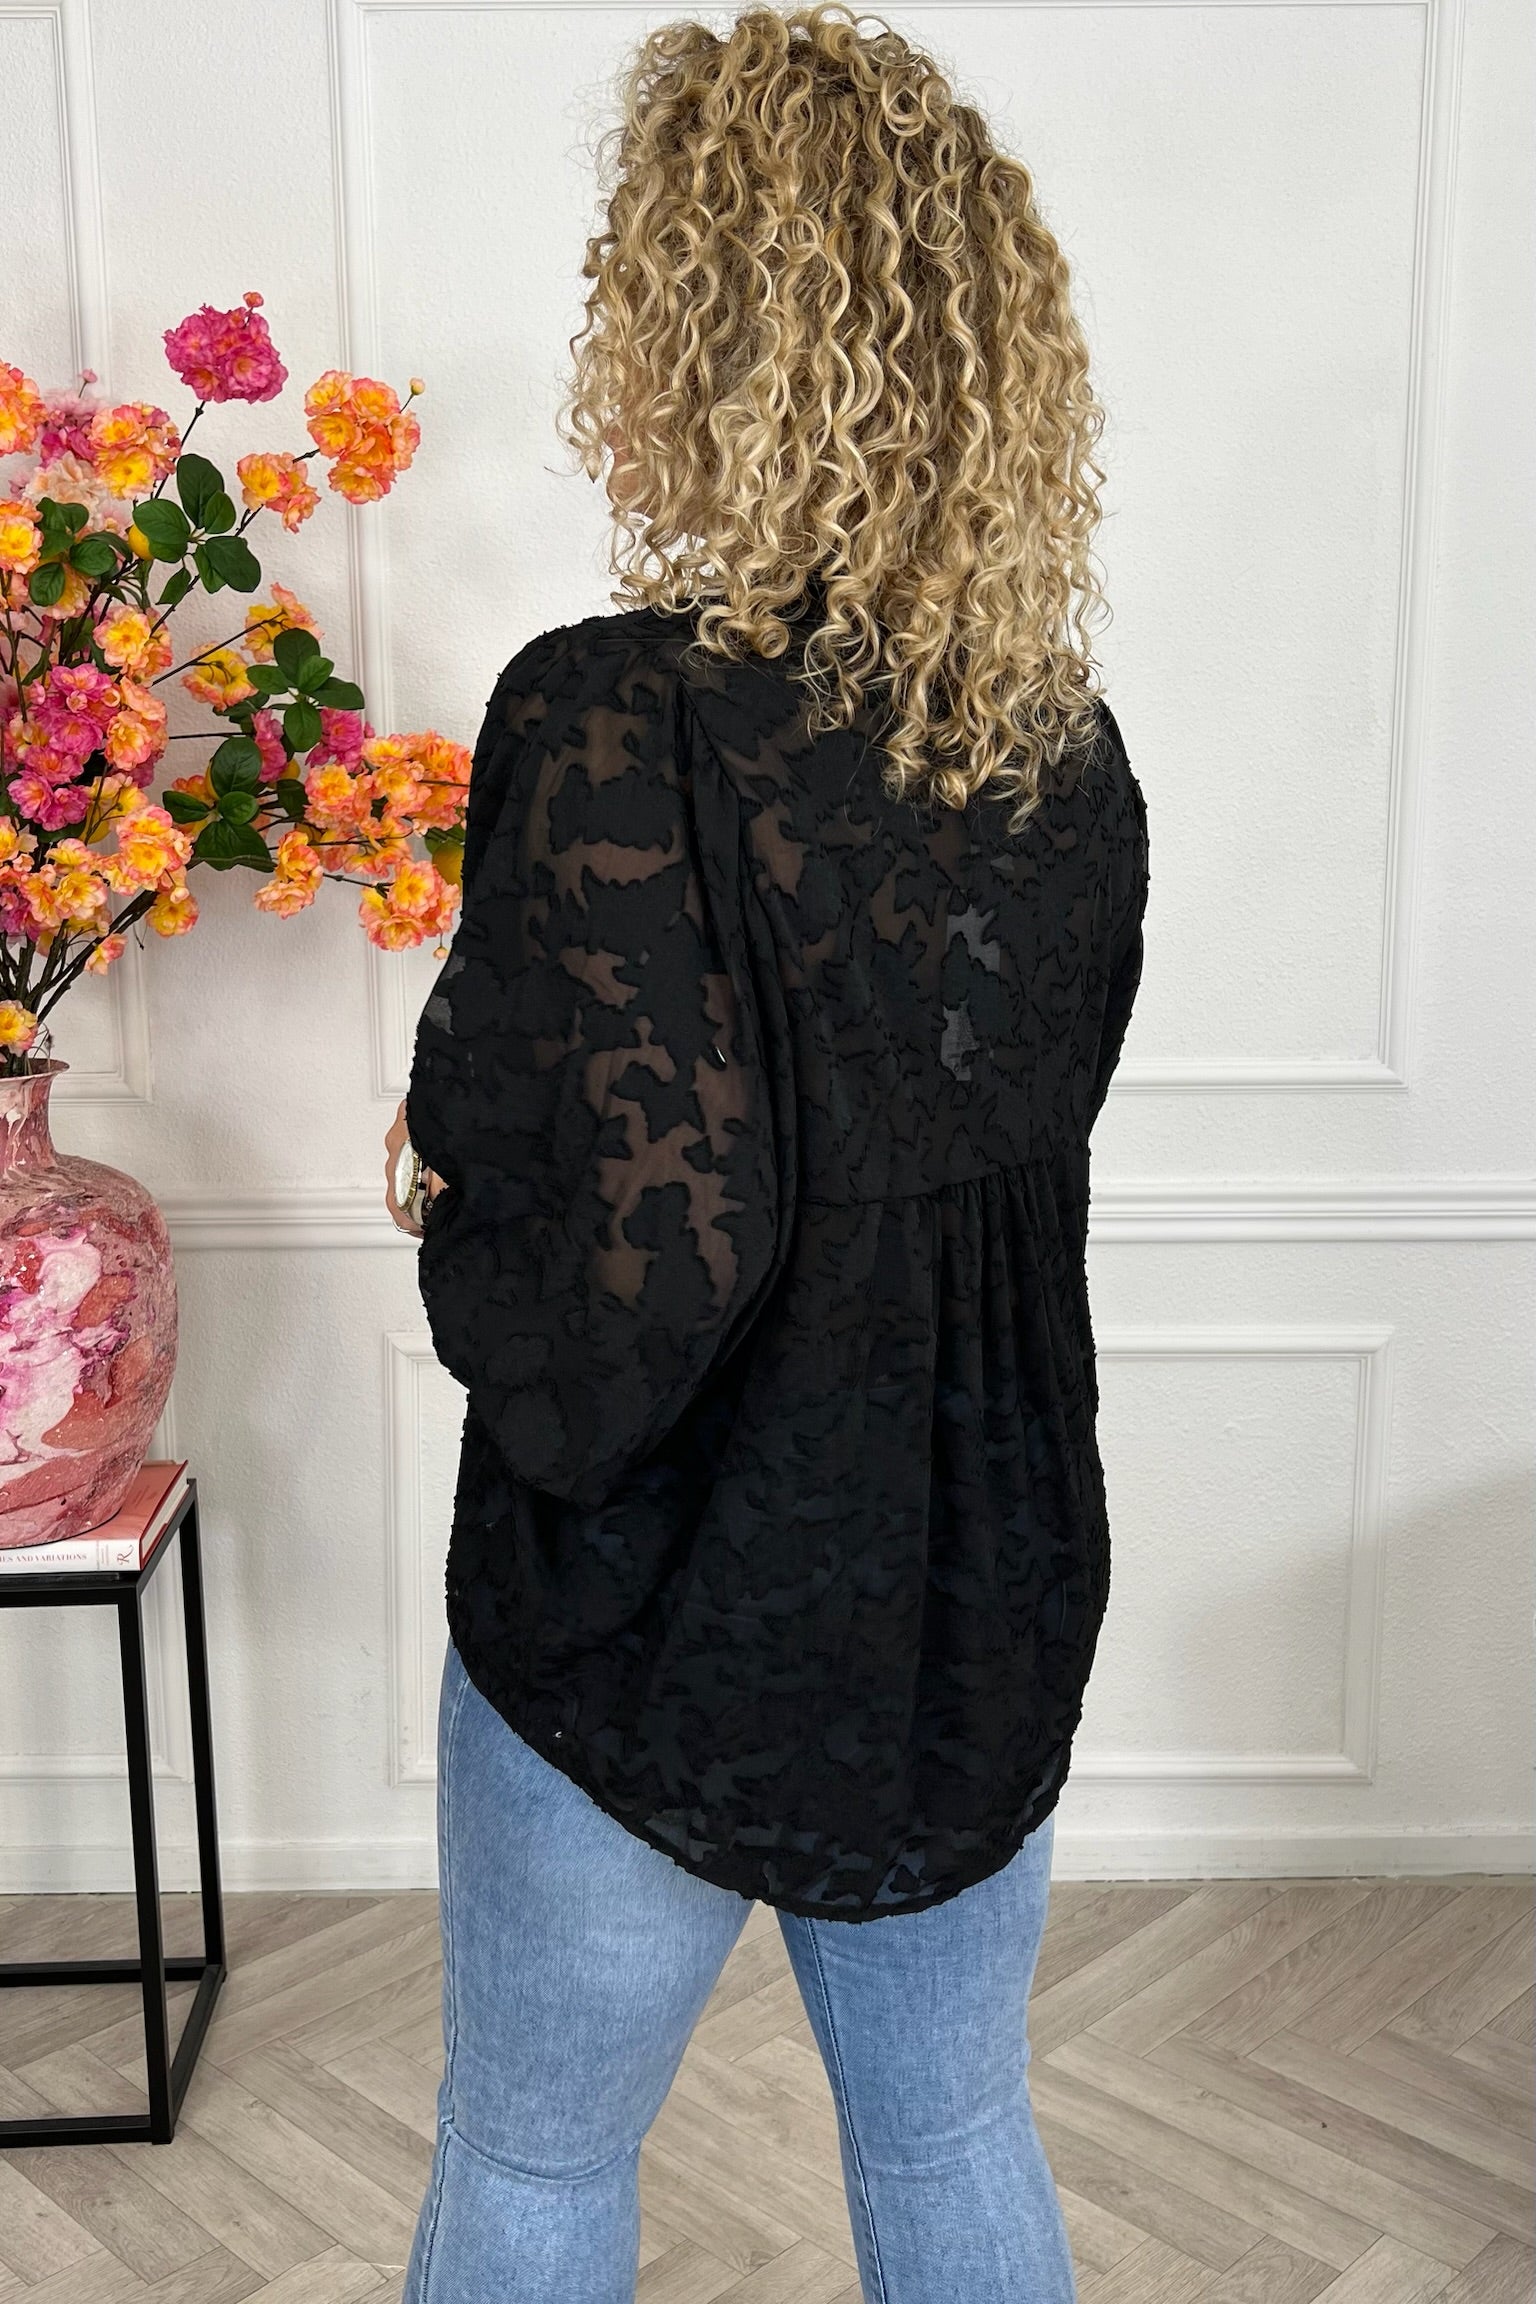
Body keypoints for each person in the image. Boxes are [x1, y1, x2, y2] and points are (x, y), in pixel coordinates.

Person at [382, 6, 1149, 2297]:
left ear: (692, 338)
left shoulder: (610, 712)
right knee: (953, 2140)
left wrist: (445, 1178)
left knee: (534, 2167)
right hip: (969, 1584)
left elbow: (650, 1256)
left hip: (663, 1594)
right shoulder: (1064, 752)